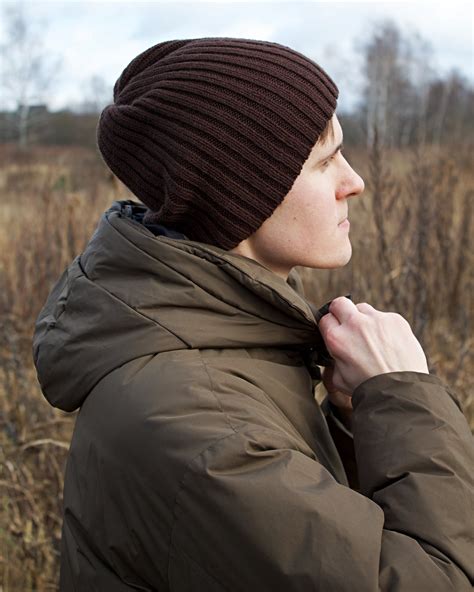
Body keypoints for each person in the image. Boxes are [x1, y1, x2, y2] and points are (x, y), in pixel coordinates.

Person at [32, 37, 473, 591]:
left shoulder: (218, 345)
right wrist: (405, 398)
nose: (354, 182)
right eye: (325, 161)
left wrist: (354, 420)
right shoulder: (204, 437)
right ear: (240, 197)